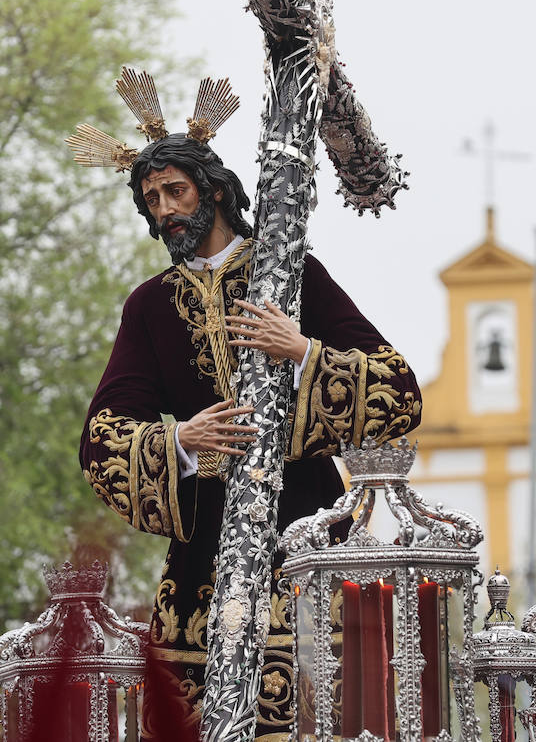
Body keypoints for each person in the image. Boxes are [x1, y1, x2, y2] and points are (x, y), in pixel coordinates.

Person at [78, 132, 421, 741]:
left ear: (212, 190)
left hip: (307, 527)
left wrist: (305, 351)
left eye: (175, 191)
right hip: (206, 550)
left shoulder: (293, 275)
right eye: (151, 198)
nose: (164, 210)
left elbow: (399, 390)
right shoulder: (151, 306)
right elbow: (102, 438)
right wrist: (180, 440)